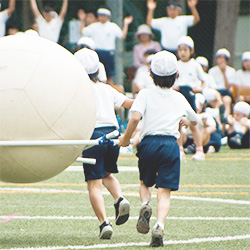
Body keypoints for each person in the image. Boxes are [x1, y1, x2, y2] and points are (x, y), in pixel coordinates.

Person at [119, 51, 200, 247]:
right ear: (176, 76)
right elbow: (195, 119)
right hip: (170, 145)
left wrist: (126, 139)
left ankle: (145, 205)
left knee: (145, 183)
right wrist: (184, 120)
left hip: (148, 144)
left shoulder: (144, 94)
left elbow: (136, 118)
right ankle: (159, 225)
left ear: (151, 74)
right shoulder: (179, 97)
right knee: (164, 191)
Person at [74, 48, 133, 240]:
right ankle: (120, 199)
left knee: (94, 185)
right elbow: (129, 104)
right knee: (106, 173)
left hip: (94, 138)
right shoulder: (107, 89)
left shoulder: (78, 91)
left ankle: (104, 223)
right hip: (113, 136)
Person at [81, 7, 133, 88]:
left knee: (109, 76)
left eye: (104, 15)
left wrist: (125, 24)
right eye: (100, 15)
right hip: (97, 52)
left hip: (108, 54)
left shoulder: (113, 26)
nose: (102, 17)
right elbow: (82, 32)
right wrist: (82, 20)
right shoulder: (94, 26)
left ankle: (109, 92)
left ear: (108, 16)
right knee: (95, 73)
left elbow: (122, 36)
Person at [174, 36, 205, 111]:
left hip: (192, 92)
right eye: (180, 50)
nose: (182, 53)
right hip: (179, 91)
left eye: (185, 50)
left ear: (191, 51)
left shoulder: (195, 65)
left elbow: (203, 80)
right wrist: (173, 87)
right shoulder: (175, 65)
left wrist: (200, 89)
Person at [208, 48, 236, 115]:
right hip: (216, 93)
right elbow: (211, 86)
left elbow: (228, 87)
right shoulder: (212, 71)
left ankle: (226, 118)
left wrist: (224, 73)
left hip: (226, 93)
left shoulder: (232, 71)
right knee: (215, 101)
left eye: (223, 58)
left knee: (227, 100)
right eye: (219, 58)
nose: (221, 60)